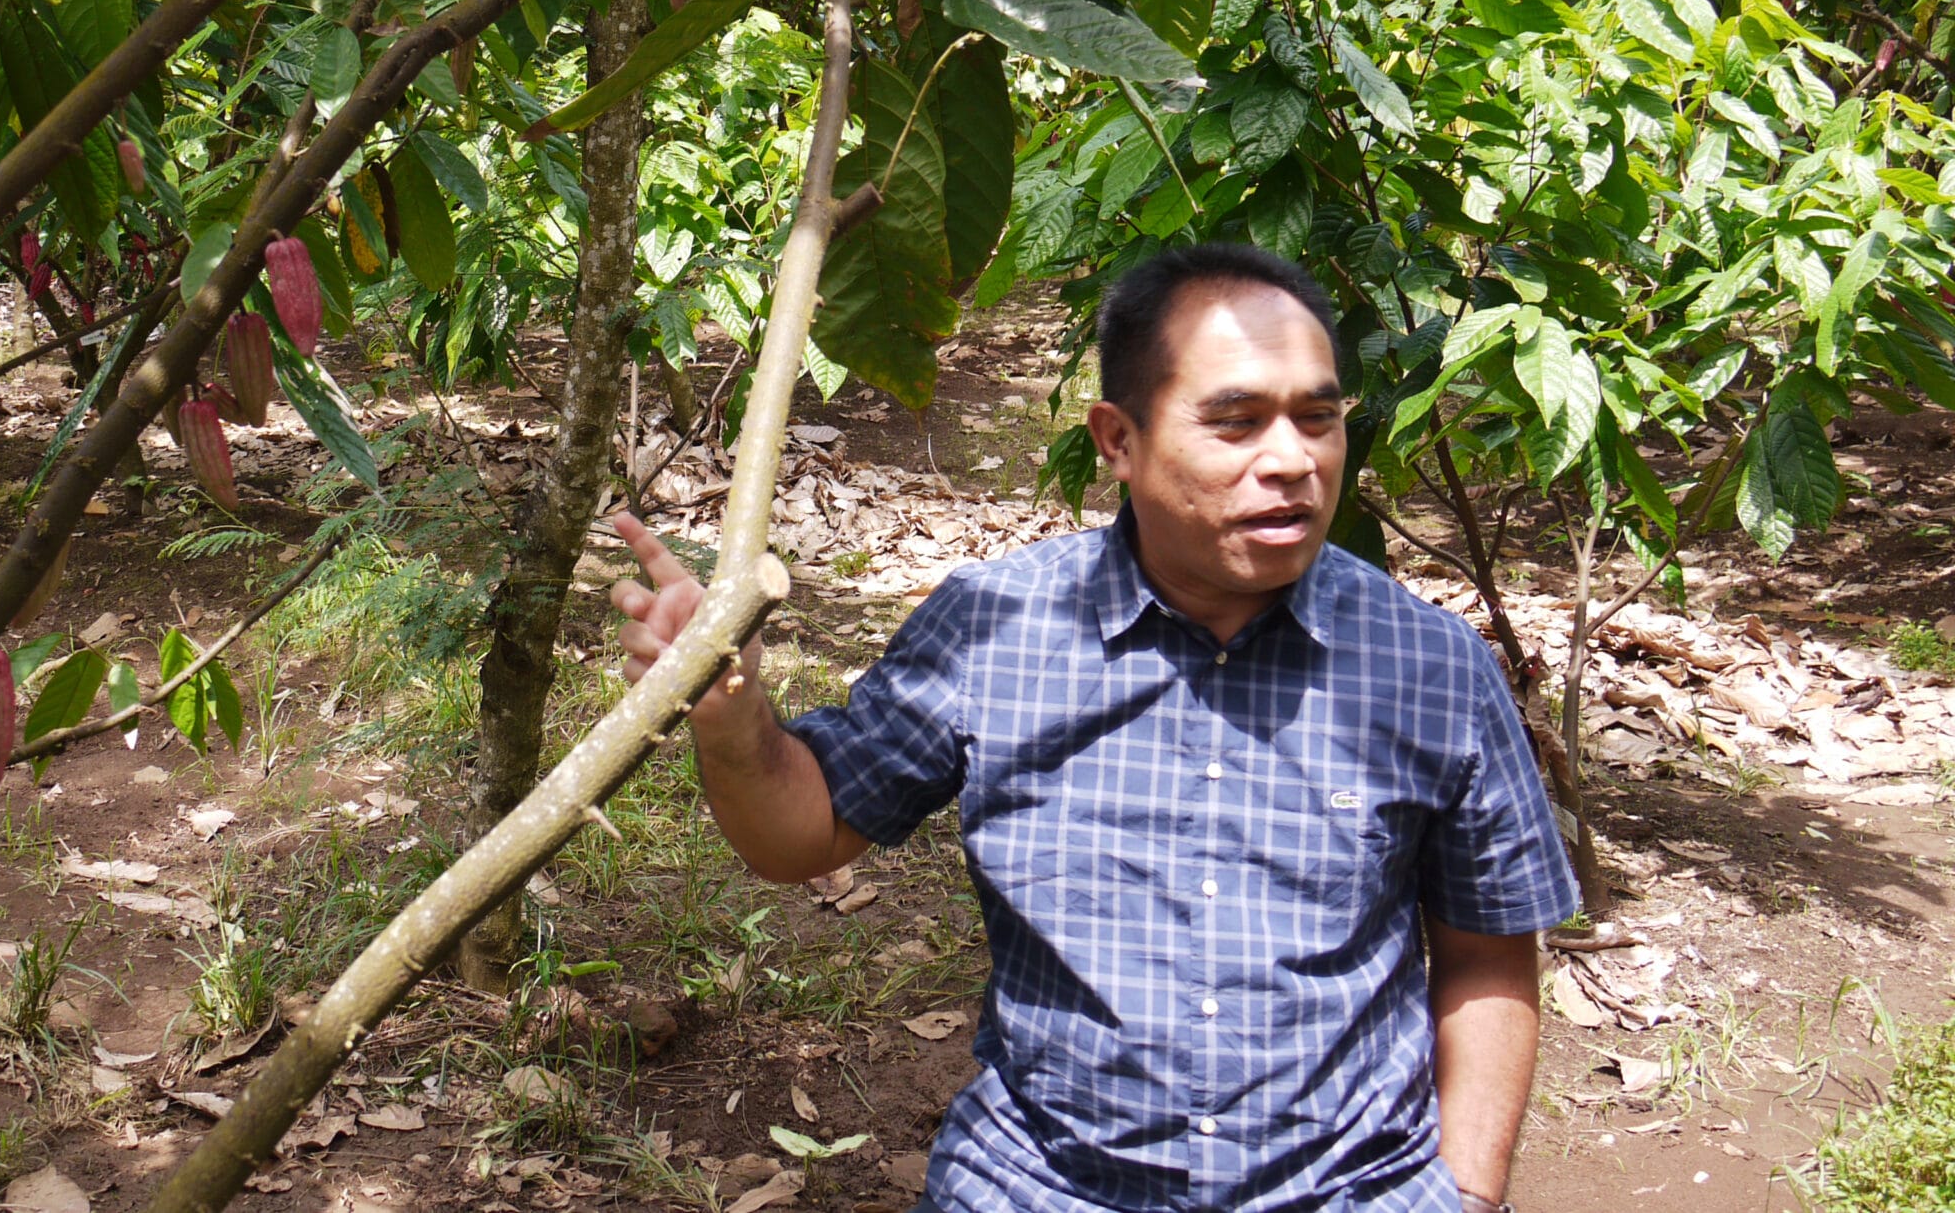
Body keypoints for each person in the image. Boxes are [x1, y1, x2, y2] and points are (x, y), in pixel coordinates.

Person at [611, 243, 1576, 1213]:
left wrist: (1466, 1194)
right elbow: (803, 836)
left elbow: (1487, 955)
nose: (1292, 460)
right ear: (1118, 440)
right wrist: (730, 718)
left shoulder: (1430, 668)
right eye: (1236, 422)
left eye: (1317, 418)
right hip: (1045, 1186)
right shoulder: (998, 631)